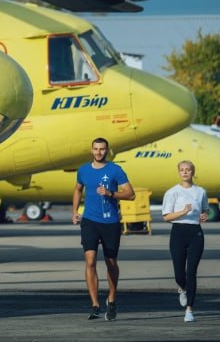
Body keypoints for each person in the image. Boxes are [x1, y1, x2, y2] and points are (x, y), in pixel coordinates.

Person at [72, 137, 135, 321]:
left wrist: (110, 193)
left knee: (111, 263)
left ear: (107, 151)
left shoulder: (115, 170)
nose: (99, 152)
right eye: (96, 149)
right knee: (90, 261)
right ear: (91, 150)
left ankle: (112, 299)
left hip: (110, 222)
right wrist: (75, 211)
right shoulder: (83, 170)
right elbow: (77, 189)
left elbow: (130, 195)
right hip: (90, 221)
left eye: (102, 149)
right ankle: (95, 305)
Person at [162, 160, 209, 322]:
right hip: (178, 233)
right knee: (179, 274)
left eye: (188, 170)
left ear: (192, 172)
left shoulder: (200, 191)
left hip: (195, 232)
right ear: (179, 172)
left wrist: (204, 215)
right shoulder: (172, 192)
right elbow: (167, 217)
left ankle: (189, 309)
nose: (185, 172)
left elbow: (205, 210)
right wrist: (183, 211)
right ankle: (182, 288)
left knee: (191, 273)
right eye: (182, 170)